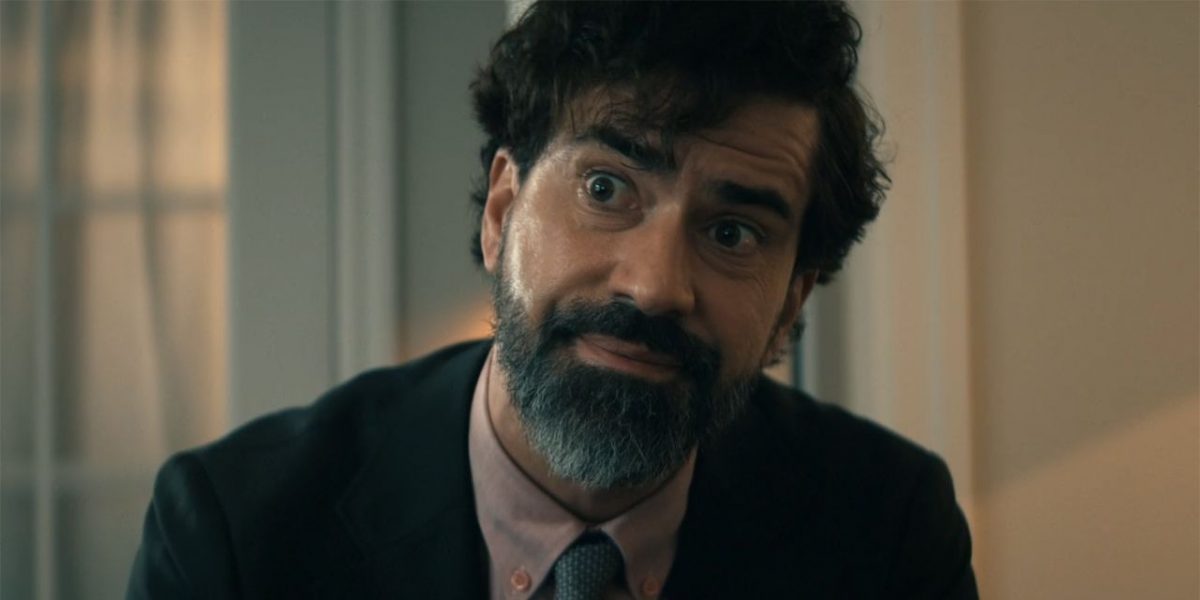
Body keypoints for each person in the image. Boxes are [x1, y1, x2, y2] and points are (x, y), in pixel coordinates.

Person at [128, 1, 977, 598]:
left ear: (792, 299)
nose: (654, 286)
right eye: (607, 188)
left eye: (732, 233)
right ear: (502, 211)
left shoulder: (886, 532)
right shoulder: (236, 535)